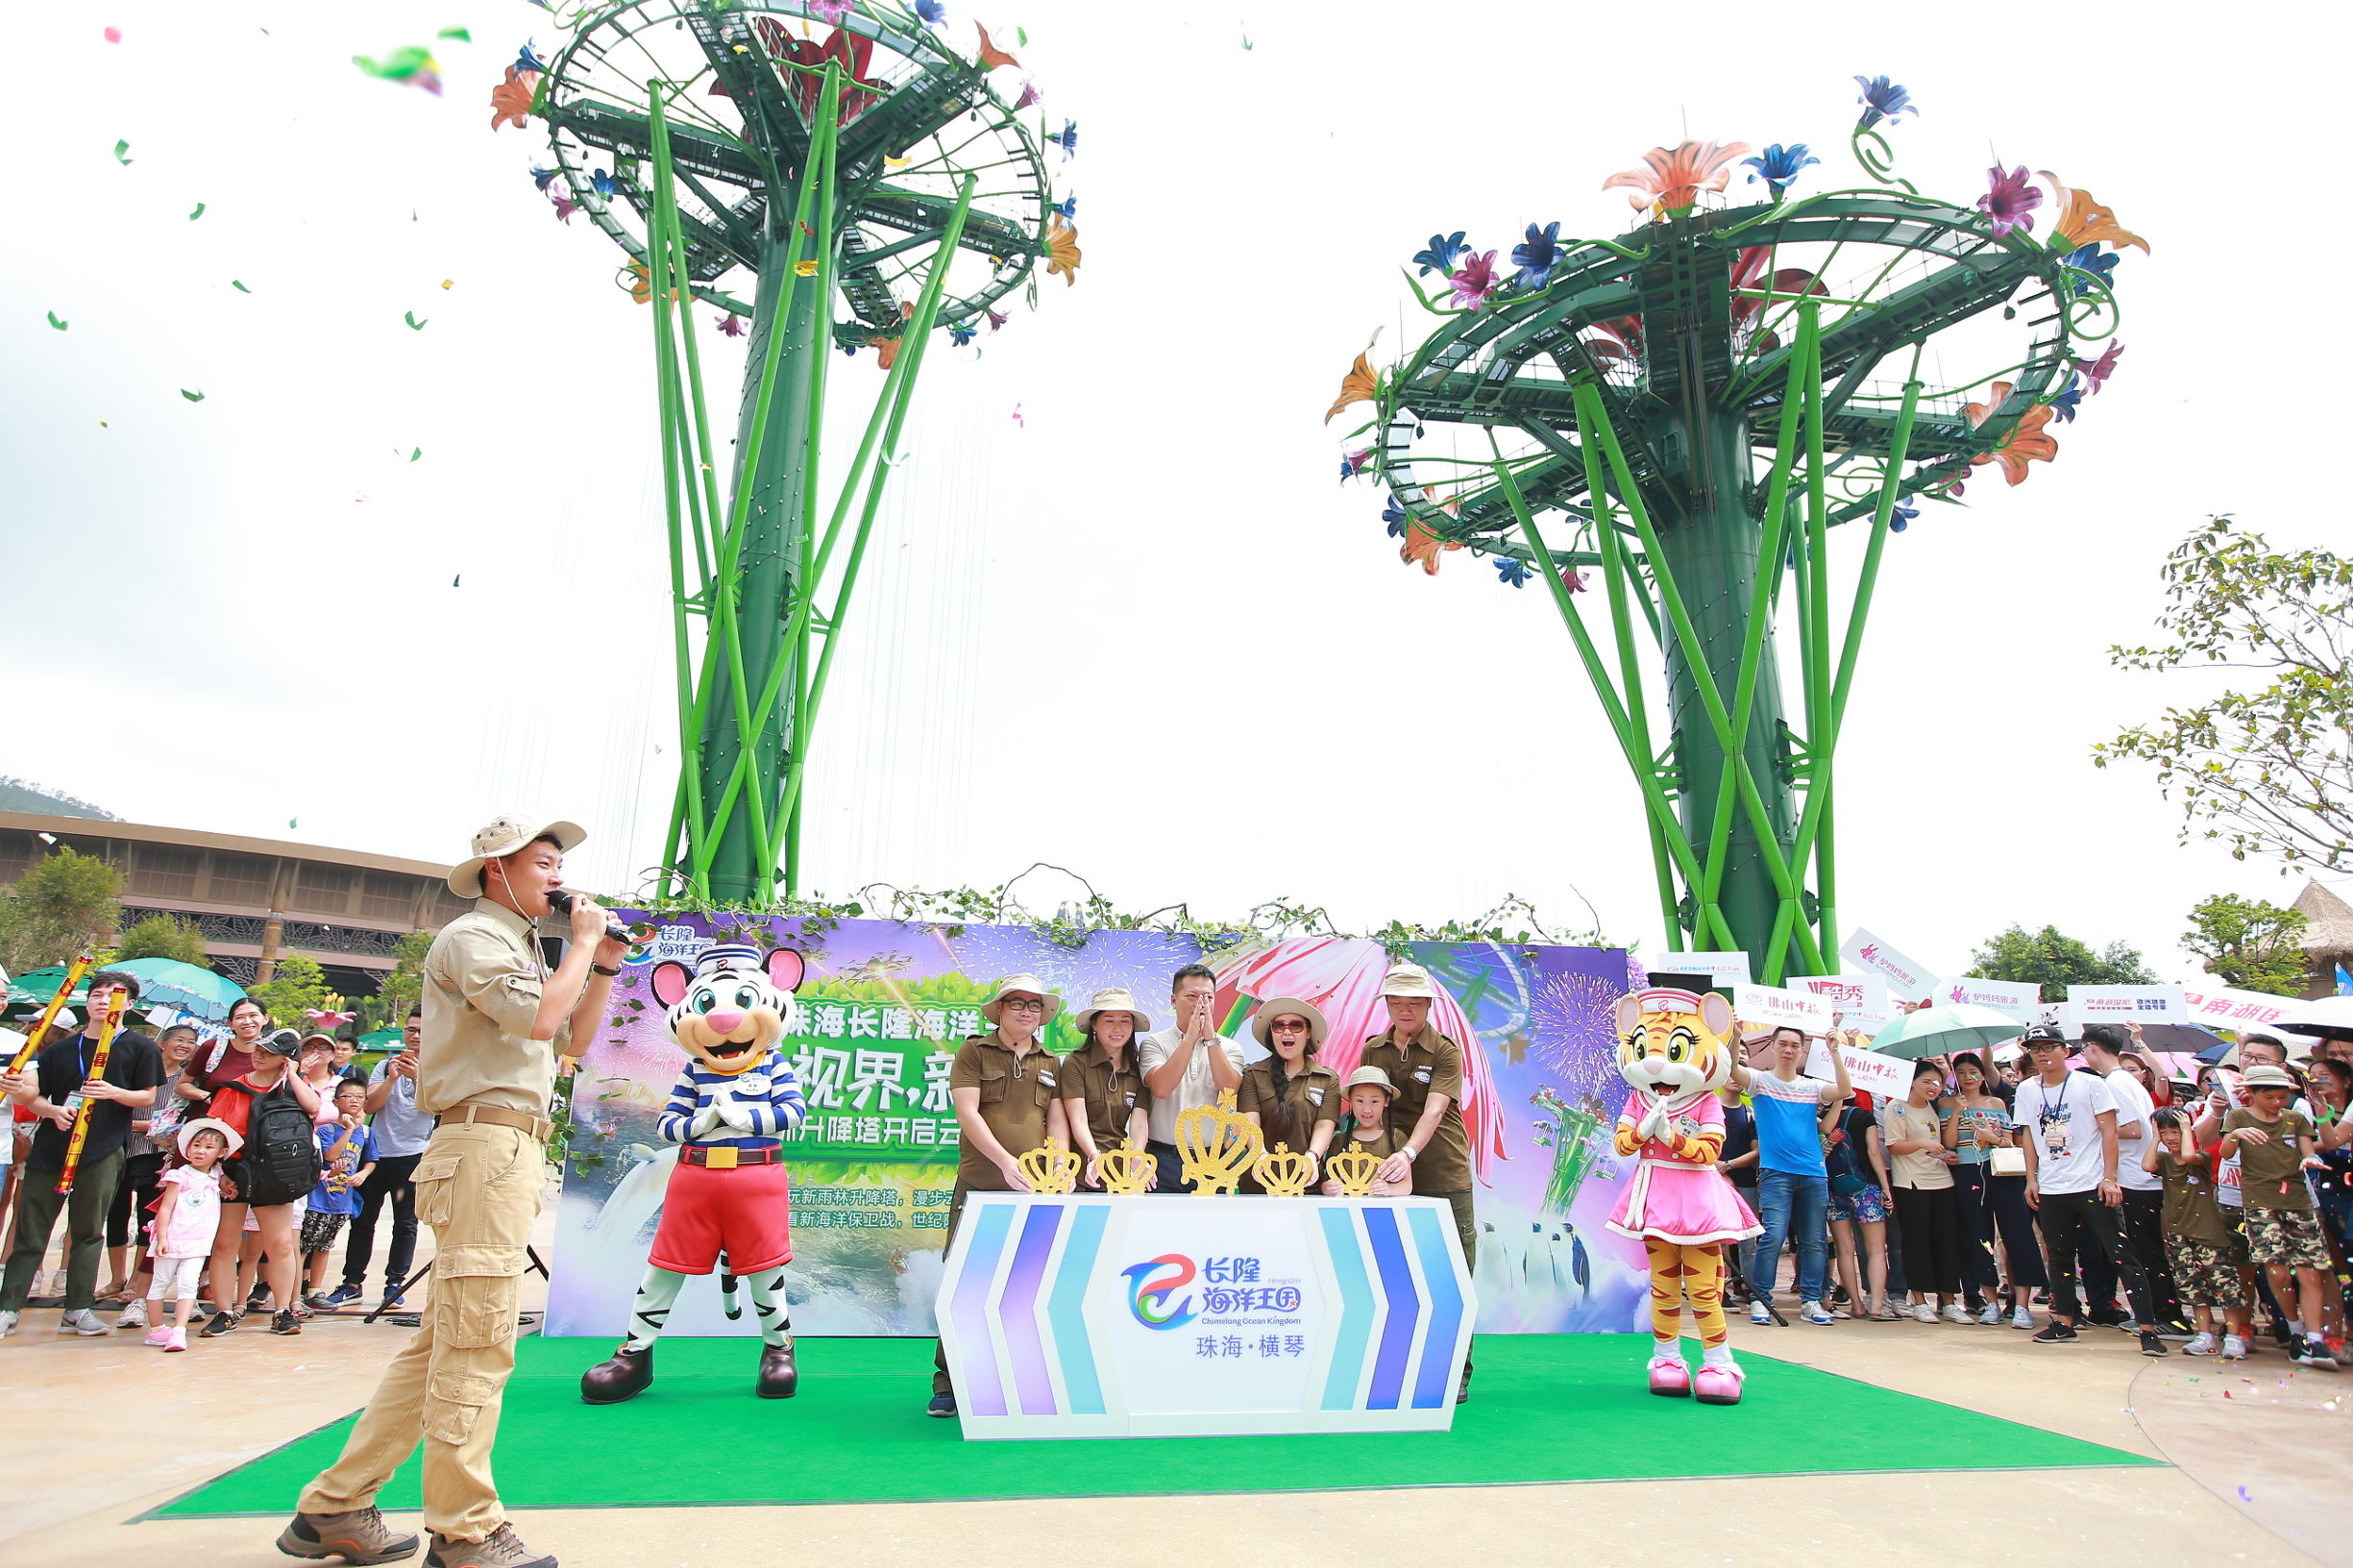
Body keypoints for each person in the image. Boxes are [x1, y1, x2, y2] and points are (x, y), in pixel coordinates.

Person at [281, 814, 625, 1568]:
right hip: (481, 1146)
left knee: (443, 1341)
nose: (558, 876)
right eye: (543, 863)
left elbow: (573, 1041)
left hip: (504, 1148)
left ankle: (335, 1506)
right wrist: (583, 946)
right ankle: (465, 1530)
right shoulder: (474, 939)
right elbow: (538, 1020)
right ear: (495, 869)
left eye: (559, 864)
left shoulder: (527, 947)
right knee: (478, 1341)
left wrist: (597, 965)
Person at [928, 973, 1067, 1420]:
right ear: (1001, 1010)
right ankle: (948, 1384)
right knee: (966, 1285)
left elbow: (1057, 1123)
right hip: (980, 1185)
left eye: (1033, 1005)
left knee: (1025, 1287)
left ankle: (1014, 1382)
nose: (1026, 1011)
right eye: (1016, 1003)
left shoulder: (1053, 1062)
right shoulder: (974, 1051)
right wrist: (1007, 1162)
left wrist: (1057, 1166)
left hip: (1033, 1193)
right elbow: (967, 1111)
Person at [0, 970, 163, 1338]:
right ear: (87, 1001)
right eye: (97, 994)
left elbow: (147, 1098)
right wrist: (51, 1109)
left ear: (130, 1004)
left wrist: (112, 1092)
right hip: (51, 1149)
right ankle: (8, 1306)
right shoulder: (60, 1049)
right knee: (31, 1229)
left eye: (113, 995)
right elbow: (33, 1096)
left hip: (103, 1150)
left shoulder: (140, 1047)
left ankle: (78, 1309)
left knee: (89, 1231)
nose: (104, 1001)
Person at [2012, 1024, 2166, 1356]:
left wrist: (2109, 1178)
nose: (2042, 1054)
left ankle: (2148, 1329)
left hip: (2091, 1182)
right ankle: (2064, 1321)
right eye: (2035, 1048)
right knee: (2060, 1256)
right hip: (2052, 1186)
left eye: (2049, 1047)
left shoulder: (2091, 1083)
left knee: (2122, 1255)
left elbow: (2110, 1132)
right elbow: (2027, 1136)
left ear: (2066, 1050)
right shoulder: (2026, 1089)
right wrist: (2031, 1178)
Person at [199, 1027, 325, 1336]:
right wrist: (220, 1174)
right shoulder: (233, 1089)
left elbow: (314, 1108)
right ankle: (225, 1311)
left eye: (268, 1053)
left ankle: (283, 1310)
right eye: (258, 1050)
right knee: (225, 1244)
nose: (258, 1055)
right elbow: (216, 1131)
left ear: (285, 1059)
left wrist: (293, 1074)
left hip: (276, 1173)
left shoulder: (295, 1088)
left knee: (281, 1243)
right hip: (237, 1171)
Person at [2219, 1064, 2338, 1368]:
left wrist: (2311, 1158)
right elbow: (2225, 1152)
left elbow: (2307, 1149)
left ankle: (2315, 1340)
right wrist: (2236, 1134)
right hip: (2261, 1204)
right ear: (2254, 1094)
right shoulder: (2238, 1117)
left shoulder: (2296, 1119)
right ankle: (2295, 1329)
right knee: (2278, 1272)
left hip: (2299, 1203)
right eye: (2270, 1096)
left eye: (2282, 1096)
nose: (2277, 1103)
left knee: (2310, 1271)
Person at [1737, 1023, 1851, 1327]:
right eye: (1783, 1044)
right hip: (1775, 1172)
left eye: (1794, 1045)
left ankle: (1812, 1301)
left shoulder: (1810, 1087)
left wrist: (1836, 1052)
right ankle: (1761, 1300)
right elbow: (1731, 1073)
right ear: (1773, 1047)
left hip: (1813, 1173)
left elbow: (1844, 1090)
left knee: (1814, 1240)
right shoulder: (1759, 1081)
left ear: (1801, 1051)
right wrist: (1734, 1036)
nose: (1788, 1050)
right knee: (1772, 1236)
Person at [326, 1008, 432, 1311]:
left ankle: (394, 1284)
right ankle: (352, 1283)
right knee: (362, 1220)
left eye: (422, 1031)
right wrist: (392, 1077)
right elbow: (369, 1105)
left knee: (405, 1223)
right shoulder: (386, 1065)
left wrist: (419, 1077)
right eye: (411, 1029)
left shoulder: (438, 1067)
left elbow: (440, 1103)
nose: (415, 1036)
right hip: (375, 1154)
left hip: (412, 1155)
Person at [2082, 1024, 2182, 1335]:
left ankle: (2169, 1317)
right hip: (2139, 1177)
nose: (2083, 1054)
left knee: (2146, 1253)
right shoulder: (2122, 1080)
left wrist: (2094, 1131)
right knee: (2144, 1252)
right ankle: (2157, 1314)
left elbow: (2135, 1129)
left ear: (2093, 1048)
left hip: (2137, 1180)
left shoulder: (2116, 1083)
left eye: (2084, 1049)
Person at [110, 1021, 200, 1330]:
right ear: (162, 1042)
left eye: (191, 1042)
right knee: (115, 1214)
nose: (185, 1045)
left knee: (147, 1219)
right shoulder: (139, 1071)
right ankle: (116, 1279)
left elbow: (173, 1123)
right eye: (179, 1039)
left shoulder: (185, 1080)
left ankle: (136, 1283)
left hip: (158, 1157)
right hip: (121, 1148)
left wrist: (144, 1125)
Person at [1945, 1051, 2041, 1328]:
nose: (1968, 1077)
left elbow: (2012, 1143)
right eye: (1961, 1072)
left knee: (2018, 1234)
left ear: (1983, 1075)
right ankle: (1990, 1302)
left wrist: (1993, 1138)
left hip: (2002, 1171)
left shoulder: (1997, 1102)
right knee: (1978, 1236)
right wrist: (1957, 1113)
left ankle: (2022, 1304)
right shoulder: (1949, 1103)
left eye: (1973, 1072)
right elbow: (1949, 1142)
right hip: (1966, 1172)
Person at [2145, 1108, 2249, 1360]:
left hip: (2209, 1235)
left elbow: (2189, 1154)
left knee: (2225, 1287)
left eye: (2175, 1131)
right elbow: (2147, 1164)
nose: (2170, 1137)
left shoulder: (2201, 1157)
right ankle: (2204, 1335)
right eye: (2164, 1131)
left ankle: (2234, 1337)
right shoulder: (2166, 1161)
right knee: (2193, 1287)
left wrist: (2185, 1129)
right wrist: (2156, 1138)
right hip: (2179, 1234)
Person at [1138, 964, 1245, 1193]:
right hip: (1162, 1158)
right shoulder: (1154, 1043)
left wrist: (1210, 1039)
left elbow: (1229, 1089)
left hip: (1212, 1159)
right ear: (1174, 1001)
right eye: (1192, 996)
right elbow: (1161, 1088)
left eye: (1208, 997)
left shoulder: (1230, 1047)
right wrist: (1190, 1038)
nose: (1201, 1004)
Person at [1882, 1060, 1969, 1324]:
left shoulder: (1934, 1107)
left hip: (1941, 1180)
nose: (1933, 1087)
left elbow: (1940, 1143)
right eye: (1927, 1081)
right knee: (1916, 1242)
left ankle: (1950, 1301)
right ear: (1912, 1081)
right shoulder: (1896, 1107)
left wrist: (1946, 1156)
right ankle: (1919, 1300)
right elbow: (1894, 1146)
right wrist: (1921, 1144)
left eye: (1938, 1082)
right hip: (1912, 1183)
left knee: (1947, 1242)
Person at [144, 1118, 238, 1351]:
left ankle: (179, 1330)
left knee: (188, 1285)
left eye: (208, 1147)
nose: (200, 1151)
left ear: (221, 1152)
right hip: (173, 1239)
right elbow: (165, 1208)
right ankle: (156, 1330)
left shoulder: (215, 1175)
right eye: (196, 1145)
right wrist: (163, 1237)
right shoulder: (180, 1175)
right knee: (160, 1283)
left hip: (198, 1242)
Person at [1237, 997, 1343, 1188]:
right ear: (1272, 1032)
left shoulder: (1327, 1079)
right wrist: (1261, 1156)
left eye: (1296, 1025)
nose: (1287, 1031)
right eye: (1279, 1026)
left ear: (1308, 1033)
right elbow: (1249, 1124)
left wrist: (1312, 1157)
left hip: (1306, 1184)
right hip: (1259, 1185)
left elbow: (1324, 1126)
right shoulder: (1252, 1075)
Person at [1058, 988, 1153, 1191]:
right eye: (1109, 1020)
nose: (1117, 1028)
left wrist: (1137, 1156)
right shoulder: (1075, 1063)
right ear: (1094, 1023)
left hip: (1119, 1172)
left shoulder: (1138, 1069)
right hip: (1081, 1171)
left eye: (1125, 1021)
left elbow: (1139, 1123)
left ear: (1133, 1026)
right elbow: (1078, 1120)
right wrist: (1094, 1156)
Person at [303, 1082, 376, 1306]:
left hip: (342, 1201)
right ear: (336, 1101)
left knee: (325, 1246)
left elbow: (372, 1161)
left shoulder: (366, 1132)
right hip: (319, 1199)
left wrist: (363, 1174)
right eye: (348, 1096)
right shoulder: (326, 1130)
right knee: (304, 1246)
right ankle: (295, 1291)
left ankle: (315, 1291)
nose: (354, 1100)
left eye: (359, 1096)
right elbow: (331, 1155)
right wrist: (349, 1130)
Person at [1825, 1092, 1894, 1320]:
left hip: (1834, 1189)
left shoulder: (1822, 1118)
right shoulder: (1864, 1116)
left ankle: (1855, 1305)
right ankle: (1875, 1304)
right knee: (1875, 1249)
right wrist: (1885, 1188)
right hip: (1865, 1187)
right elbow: (1874, 1152)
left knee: (1844, 1249)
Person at [1318, 1066, 1413, 1196]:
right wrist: (1328, 1188)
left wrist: (1390, 1189)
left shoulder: (1397, 1138)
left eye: (1374, 1101)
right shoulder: (1340, 1140)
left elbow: (1407, 1185)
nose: (1367, 1109)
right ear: (1350, 1100)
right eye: (1360, 1101)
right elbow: (1326, 1180)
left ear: (1386, 1101)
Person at [1715, 1084, 1761, 1302]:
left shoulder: (1750, 1112)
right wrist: (1717, 1167)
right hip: (1713, 1180)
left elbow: (1756, 1151)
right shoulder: (1710, 1107)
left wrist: (1727, 1165)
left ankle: (1753, 1290)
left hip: (1746, 1182)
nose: (1735, 1077)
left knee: (1749, 1240)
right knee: (1716, 1238)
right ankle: (1718, 1291)